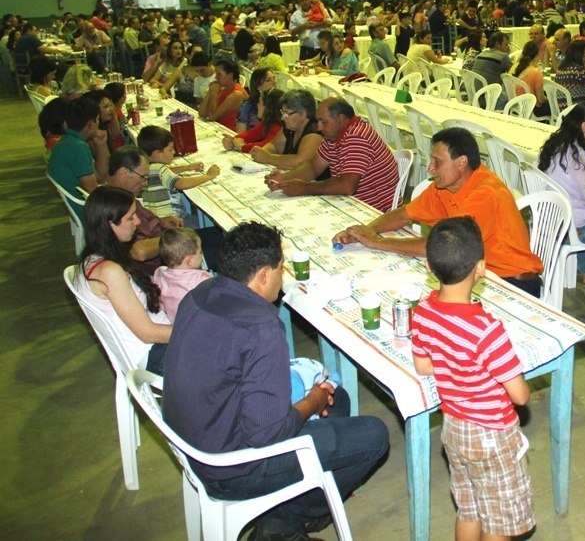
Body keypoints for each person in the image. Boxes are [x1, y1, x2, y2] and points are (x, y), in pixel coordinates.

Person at [162, 221, 389, 541]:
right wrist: (312, 401)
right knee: (374, 435)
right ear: (264, 274)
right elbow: (266, 434)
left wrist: (317, 399)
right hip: (234, 467)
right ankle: (283, 523)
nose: (283, 278)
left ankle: (286, 506)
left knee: (339, 399)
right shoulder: (261, 327)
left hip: (195, 438)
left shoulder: (201, 293)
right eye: (281, 269)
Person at [411, 217, 534, 541]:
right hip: (493, 435)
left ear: (428, 266)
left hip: (454, 430)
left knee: (469, 509)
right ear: (480, 268)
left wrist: (455, 363)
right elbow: (520, 395)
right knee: (498, 520)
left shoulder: (422, 312)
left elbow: (424, 366)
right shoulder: (487, 330)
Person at [333, 127, 543, 297]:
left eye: (437, 162)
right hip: (475, 271)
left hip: (510, 282)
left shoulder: (485, 194)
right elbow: (403, 215)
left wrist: (376, 242)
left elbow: (442, 248)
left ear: (461, 162)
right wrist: (364, 232)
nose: (430, 169)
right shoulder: (445, 187)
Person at [76, 185, 171, 372]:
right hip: (152, 353)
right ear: (110, 224)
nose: (137, 221)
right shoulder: (108, 273)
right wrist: (195, 330)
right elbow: (148, 333)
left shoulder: (93, 257)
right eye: (130, 217)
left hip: (154, 343)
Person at [265, 97, 398, 212]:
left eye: (324, 122)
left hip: (373, 209)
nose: (319, 127)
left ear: (341, 119)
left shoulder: (357, 137)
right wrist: (285, 179)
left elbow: (347, 186)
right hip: (350, 202)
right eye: (318, 121)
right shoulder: (335, 135)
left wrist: (306, 187)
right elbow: (313, 167)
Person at [537, 100, 585, 292]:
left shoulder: (554, 146)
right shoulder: (580, 159)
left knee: (583, 214)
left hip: (548, 222)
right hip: (570, 230)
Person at [137, 125, 220, 221]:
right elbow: (181, 184)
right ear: (157, 154)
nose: (174, 152)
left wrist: (187, 167)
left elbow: (167, 172)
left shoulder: (147, 168)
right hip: (172, 220)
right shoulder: (160, 169)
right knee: (196, 220)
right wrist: (208, 176)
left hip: (155, 219)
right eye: (170, 149)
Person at [47, 96, 109, 218]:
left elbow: (101, 177)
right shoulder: (78, 147)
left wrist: (101, 146)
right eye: (97, 120)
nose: (98, 124)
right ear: (90, 125)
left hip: (77, 202)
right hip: (85, 209)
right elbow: (92, 190)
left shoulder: (68, 140)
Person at [251, 89, 325, 174]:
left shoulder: (314, 132)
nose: (283, 117)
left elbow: (300, 162)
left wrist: (268, 158)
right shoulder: (291, 126)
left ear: (303, 114)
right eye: (283, 112)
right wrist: (262, 152)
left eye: (287, 113)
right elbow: (274, 146)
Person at [152, 227, 211, 323]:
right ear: (189, 261)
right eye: (200, 252)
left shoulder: (159, 273)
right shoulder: (202, 280)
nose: (201, 255)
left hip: (174, 323)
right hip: (198, 325)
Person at [224, 88, 286, 153]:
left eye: (259, 102)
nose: (257, 105)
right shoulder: (268, 122)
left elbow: (264, 145)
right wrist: (233, 140)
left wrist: (242, 146)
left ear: (268, 108)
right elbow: (250, 134)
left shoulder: (279, 127)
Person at [198, 60, 247, 130]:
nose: (215, 77)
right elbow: (202, 113)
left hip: (230, 133)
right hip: (219, 127)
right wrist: (210, 91)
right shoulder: (223, 88)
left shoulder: (237, 94)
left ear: (230, 75)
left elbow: (212, 117)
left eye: (219, 74)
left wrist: (214, 93)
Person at [510, 41, 548, 118]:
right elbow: (541, 100)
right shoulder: (535, 72)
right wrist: (550, 99)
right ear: (537, 55)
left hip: (515, 104)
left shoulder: (514, 66)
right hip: (532, 107)